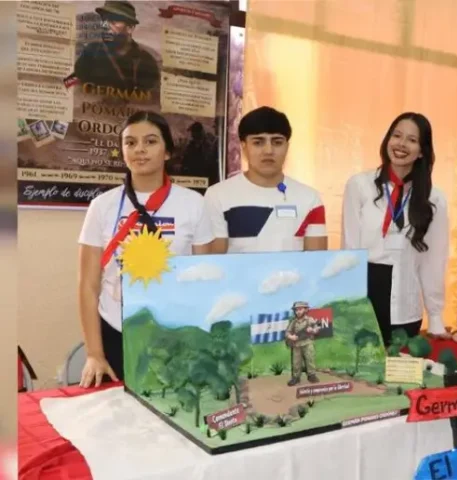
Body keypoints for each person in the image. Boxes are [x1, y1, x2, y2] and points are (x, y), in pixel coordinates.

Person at [77, 111, 214, 388]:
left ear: (167, 151)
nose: (139, 149)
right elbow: (88, 286)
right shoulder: (102, 206)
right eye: (130, 143)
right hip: (116, 330)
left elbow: (205, 281)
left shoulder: (194, 204)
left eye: (150, 141)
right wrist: (94, 354)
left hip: (176, 331)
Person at [341, 112, 450, 346]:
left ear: (422, 151)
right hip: (365, 300)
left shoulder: (434, 198)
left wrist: (435, 316)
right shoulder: (359, 185)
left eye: (412, 140)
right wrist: (348, 307)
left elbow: (433, 261)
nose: (401, 144)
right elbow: (349, 250)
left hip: (405, 306)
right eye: (397, 135)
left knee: (403, 367)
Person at [204, 106, 327, 253]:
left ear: (287, 147)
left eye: (277, 142)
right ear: (244, 146)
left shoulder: (310, 198)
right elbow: (215, 262)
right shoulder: (217, 195)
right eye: (258, 142)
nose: (268, 151)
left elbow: (316, 261)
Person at [73, 1, 160, 92]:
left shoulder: (145, 62)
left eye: (113, 21)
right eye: (104, 20)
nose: (105, 25)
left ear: (130, 28)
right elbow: (76, 87)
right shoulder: (91, 52)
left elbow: (150, 97)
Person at [285, 301, 320, 386]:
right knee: (296, 362)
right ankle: (296, 378)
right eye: (296, 310)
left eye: (300, 309)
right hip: (296, 345)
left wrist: (312, 330)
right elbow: (287, 333)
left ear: (306, 310)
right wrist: (291, 337)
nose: (298, 312)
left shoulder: (310, 320)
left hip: (307, 343)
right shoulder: (294, 322)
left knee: (310, 359)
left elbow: (316, 328)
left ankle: (311, 375)